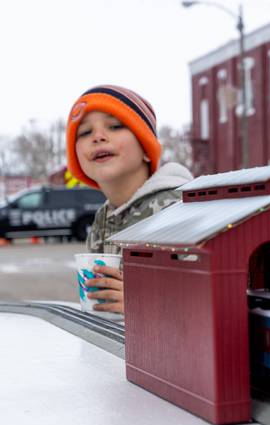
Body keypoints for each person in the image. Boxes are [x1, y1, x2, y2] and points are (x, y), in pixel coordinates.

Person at [66, 85, 193, 315]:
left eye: (115, 126)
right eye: (85, 132)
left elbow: (209, 300)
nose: (98, 137)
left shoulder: (180, 208)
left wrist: (142, 303)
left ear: (146, 148)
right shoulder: (101, 220)